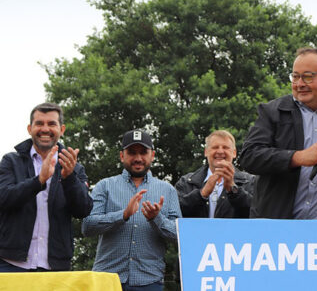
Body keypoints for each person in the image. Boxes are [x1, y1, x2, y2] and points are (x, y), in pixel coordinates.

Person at [240, 47, 317, 219]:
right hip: (276, 231)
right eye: (295, 76)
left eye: (308, 76)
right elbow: (249, 156)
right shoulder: (273, 112)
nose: (299, 84)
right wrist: (297, 157)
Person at [82, 129, 181, 291]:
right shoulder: (104, 186)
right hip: (107, 279)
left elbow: (179, 236)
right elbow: (87, 226)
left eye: (143, 152)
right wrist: (123, 215)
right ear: (122, 156)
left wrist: (157, 218)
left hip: (149, 281)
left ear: (152, 155)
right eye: (132, 153)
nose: (138, 158)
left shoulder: (168, 190)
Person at [0, 102, 92, 272]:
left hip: (56, 267)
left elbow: (83, 209)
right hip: (10, 264)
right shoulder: (10, 161)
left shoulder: (74, 167)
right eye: (39, 123)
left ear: (62, 129)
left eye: (51, 124)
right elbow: (4, 198)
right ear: (30, 128)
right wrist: (39, 181)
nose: (45, 129)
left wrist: (68, 178)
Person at [176, 130, 255, 218]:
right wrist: (202, 193)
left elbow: (257, 213)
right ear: (206, 152)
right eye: (215, 147)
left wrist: (234, 191)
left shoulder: (250, 182)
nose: (220, 151)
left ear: (234, 153)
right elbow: (176, 213)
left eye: (225, 147)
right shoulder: (186, 182)